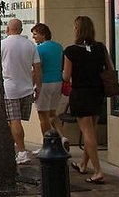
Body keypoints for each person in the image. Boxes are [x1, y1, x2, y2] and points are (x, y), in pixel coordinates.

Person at [64, 16, 108, 184]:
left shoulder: (71, 51)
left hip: (80, 93)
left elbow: (66, 77)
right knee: (92, 131)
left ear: (77, 30)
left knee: (88, 133)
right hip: (97, 93)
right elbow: (107, 68)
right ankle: (83, 164)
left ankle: (97, 171)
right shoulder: (100, 48)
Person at [1, 18, 42, 165]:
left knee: (14, 120)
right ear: (21, 29)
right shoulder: (30, 45)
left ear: (7, 29)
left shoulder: (2, 44)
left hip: (10, 88)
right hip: (26, 88)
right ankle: (16, 148)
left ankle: (22, 151)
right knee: (17, 121)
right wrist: (38, 86)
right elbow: (37, 68)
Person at [31, 23, 69, 152]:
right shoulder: (58, 47)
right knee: (53, 114)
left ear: (43, 34)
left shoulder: (39, 49)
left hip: (44, 83)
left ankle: (46, 146)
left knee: (43, 116)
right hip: (57, 82)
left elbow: (37, 68)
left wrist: (33, 84)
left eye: (35, 34)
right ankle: (63, 137)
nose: (33, 37)